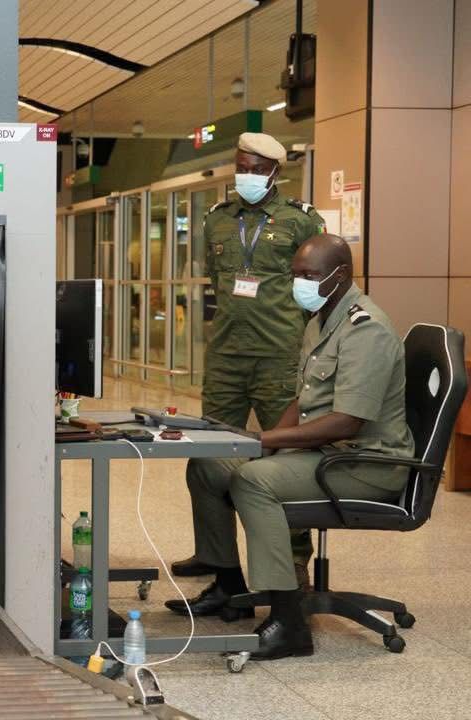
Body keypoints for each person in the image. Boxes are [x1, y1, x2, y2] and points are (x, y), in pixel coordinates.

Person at [165, 234, 414, 660]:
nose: (300, 283)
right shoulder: (322, 317)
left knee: (252, 479)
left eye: (310, 275)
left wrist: (264, 442)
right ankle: (229, 585)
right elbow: (304, 402)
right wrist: (266, 444)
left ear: (340, 275)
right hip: (330, 451)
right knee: (209, 466)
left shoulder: (364, 329)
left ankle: (288, 623)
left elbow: (345, 420)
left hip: (365, 462)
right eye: (296, 274)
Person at [172, 132, 327, 585]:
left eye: (258, 169)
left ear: (277, 171)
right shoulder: (218, 220)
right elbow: (216, 281)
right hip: (225, 355)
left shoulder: (300, 221)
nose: (249, 176)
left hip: (278, 354)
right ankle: (217, 557)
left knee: (285, 456)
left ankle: (296, 558)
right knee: (209, 457)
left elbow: (317, 290)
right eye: (243, 167)